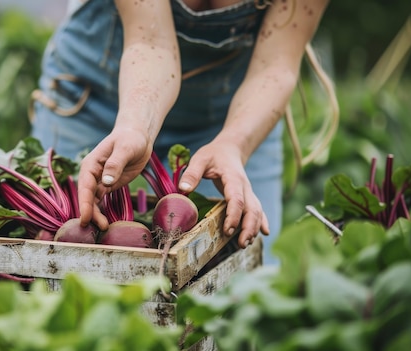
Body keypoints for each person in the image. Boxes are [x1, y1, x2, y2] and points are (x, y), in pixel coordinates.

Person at [29, 0, 330, 265]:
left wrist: (234, 144)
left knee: (245, 285)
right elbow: (150, 42)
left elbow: (275, 67)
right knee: (54, 274)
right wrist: (135, 127)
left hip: (232, 117)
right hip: (94, 104)